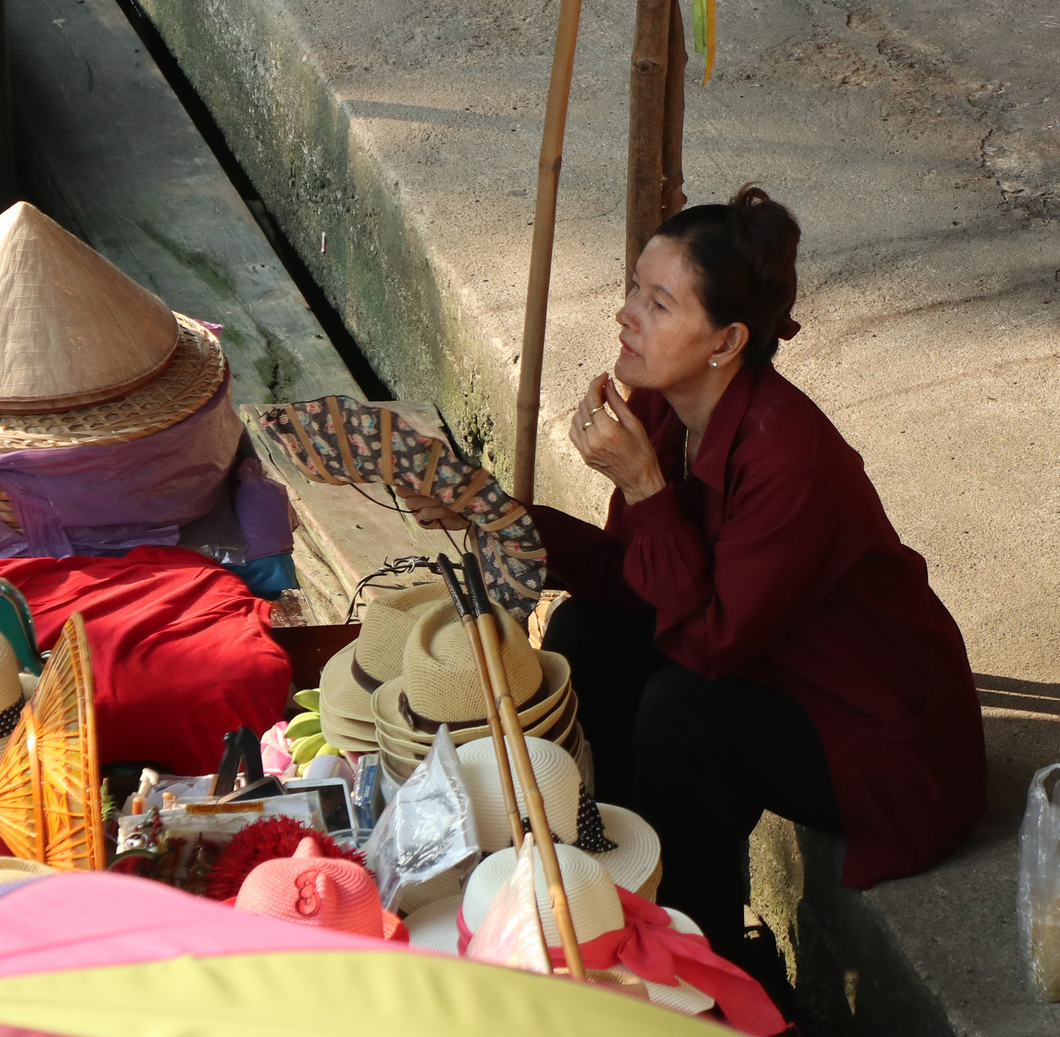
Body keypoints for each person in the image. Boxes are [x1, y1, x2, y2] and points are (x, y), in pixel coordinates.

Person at [401, 185, 986, 964]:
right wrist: (496, 514)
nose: (626, 316)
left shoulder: (788, 462)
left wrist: (644, 491)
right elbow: (626, 577)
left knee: (683, 711)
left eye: (659, 303)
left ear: (726, 340)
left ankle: (698, 949)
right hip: (763, 661)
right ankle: (603, 870)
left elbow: (709, 645)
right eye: (633, 291)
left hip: (875, 735)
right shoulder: (664, 408)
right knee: (582, 632)